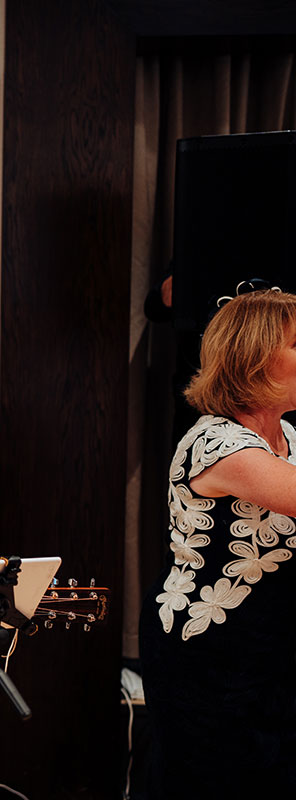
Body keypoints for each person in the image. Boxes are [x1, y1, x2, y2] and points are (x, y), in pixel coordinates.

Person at [140, 289, 296, 798]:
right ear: (255, 358)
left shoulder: (288, 437)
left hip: (271, 648)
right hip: (210, 650)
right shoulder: (218, 445)